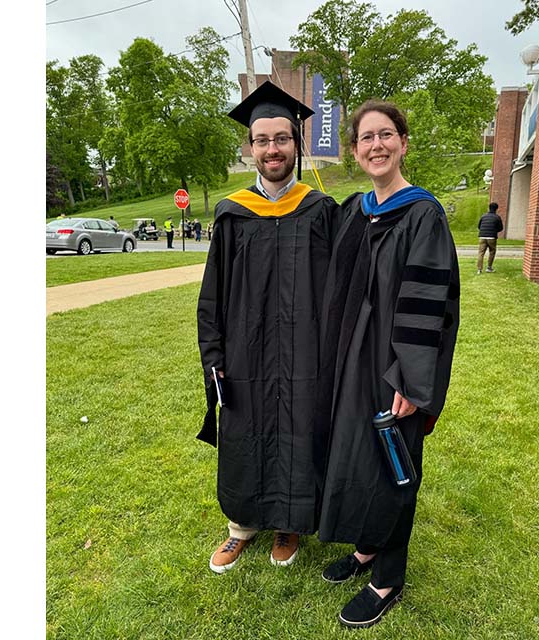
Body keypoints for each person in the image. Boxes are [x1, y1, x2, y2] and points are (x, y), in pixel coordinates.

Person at [314, 99, 460, 628]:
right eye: (366, 138)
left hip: (395, 368)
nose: (376, 145)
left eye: (386, 135)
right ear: (354, 150)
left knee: (395, 467)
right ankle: (367, 547)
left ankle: (388, 577)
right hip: (353, 359)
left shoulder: (423, 214)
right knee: (356, 453)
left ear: (402, 142)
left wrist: (412, 380)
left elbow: (429, 306)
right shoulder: (357, 210)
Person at [196, 81, 343, 576]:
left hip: (305, 351)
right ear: (251, 147)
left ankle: (289, 523)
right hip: (245, 353)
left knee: (299, 429)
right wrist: (213, 357)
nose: (272, 148)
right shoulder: (233, 213)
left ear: (296, 144)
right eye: (262, 140)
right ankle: (242, 526)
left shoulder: (321, 210)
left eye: (282, 138)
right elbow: (212, 295)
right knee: (245, 432)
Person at [476, 202, 503, 273]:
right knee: (492, 252)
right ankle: (489, 267)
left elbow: (479, 226)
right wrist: (494, 230)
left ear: (489, 208)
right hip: (492, 237)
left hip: (482, 236)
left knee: (481, 253)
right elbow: (500, 228)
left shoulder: (483, 216)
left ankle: (479, 269)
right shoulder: (497, 217)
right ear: (496, 209)